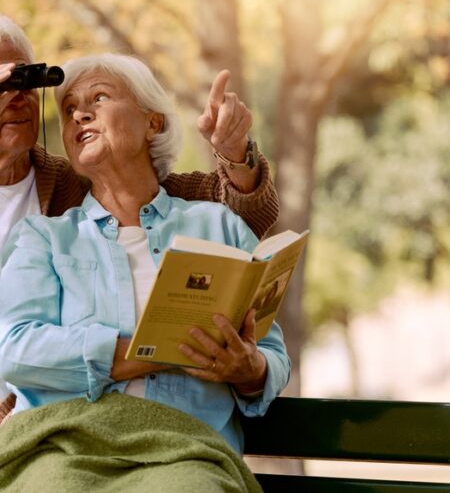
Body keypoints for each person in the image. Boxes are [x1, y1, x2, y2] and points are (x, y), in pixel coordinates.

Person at [0, 53, 290, 456]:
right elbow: (13, 350)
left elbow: (272, 354)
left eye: (98, 98)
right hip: (70, 446)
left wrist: (250, 371)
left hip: (187, 447)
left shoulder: (216, 226)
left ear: (153, 121)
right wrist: (149, 352)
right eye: (69, 110)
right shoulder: (43, 237)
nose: (80, 114)